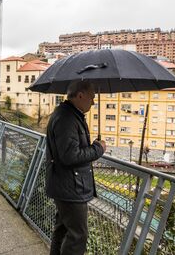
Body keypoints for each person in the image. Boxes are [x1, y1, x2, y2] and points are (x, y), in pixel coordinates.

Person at [45, 80, 106, 255]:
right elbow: (70, 156)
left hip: (66, 183)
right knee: (78, 236)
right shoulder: (67, 118)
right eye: (92, 97)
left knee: (63, 230)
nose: (93, 102)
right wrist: (98, 149)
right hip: (71, 186)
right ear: (80, 95)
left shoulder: (67, 114)